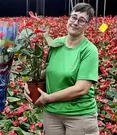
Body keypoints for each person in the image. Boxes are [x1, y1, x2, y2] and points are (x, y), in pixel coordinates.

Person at [24, 3, 99, 135]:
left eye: (81, 20)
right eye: (73, 17)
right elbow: (48, 71)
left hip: (79, 115)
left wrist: (48, 98)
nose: (75, 22)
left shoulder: (89, 50)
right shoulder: (56, 43)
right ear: (68, 19)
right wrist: (29, 83)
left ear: (87, 25)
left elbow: (81, 88)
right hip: (52, 114)